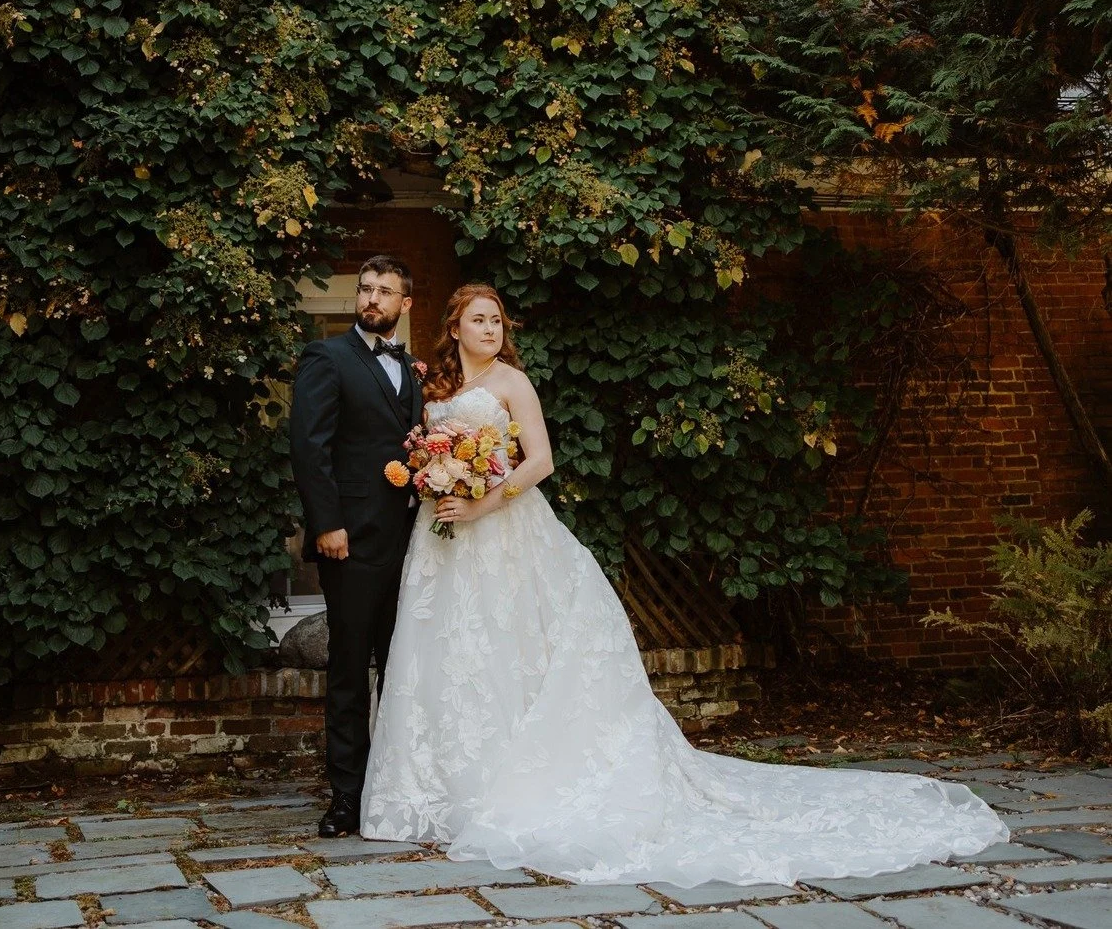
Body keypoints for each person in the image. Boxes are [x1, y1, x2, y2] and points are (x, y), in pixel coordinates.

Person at [360, 283, 1008, 886]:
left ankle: (512, 784)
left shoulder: (512, 382)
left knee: (511, 647)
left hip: (501, 529)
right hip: (443, 538)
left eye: (497, 321)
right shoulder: (433, 383)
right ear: (453, 327)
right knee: (448, 653)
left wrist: (481, 501)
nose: (490, 329)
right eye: (478, 320)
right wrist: (435, 477)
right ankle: (444, 793)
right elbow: (422, 448)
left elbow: (541, 461)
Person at [289, 254, 423, 838]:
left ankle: (392, 788)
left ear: (404, 303)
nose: (371, 298)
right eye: (365, 289)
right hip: (351, 541)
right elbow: (309, 446)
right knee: (349, 669)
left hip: (412, 544)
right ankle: (346, 796)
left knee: (401, 665)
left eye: (384, 291)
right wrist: (327, 523)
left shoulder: (411, 369)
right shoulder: (328, 357)